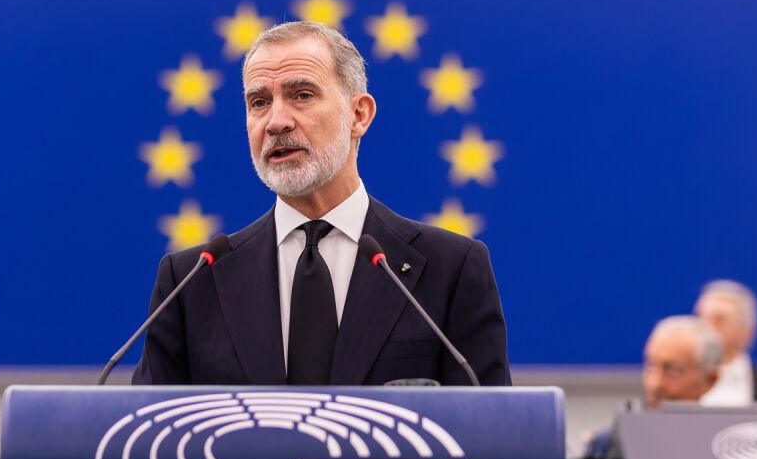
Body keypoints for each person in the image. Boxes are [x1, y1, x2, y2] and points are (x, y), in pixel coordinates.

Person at [132, 21, 511, 386]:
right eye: (259, 102)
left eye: (302, 95)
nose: (276, 122)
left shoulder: (451, 269)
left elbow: (493, 436)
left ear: (358, 115)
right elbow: (146, 439)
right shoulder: (191, 281)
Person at [571, 316, 724, 459]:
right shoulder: (608, 448)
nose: (655, 384)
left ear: (710, 380)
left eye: (673, 371)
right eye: (650, 367)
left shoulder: (727, 452)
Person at [694, 279, 757, 407]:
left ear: (747, 330)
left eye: (719, 320)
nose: (707, 328)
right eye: (701, 318)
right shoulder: (677, 385)